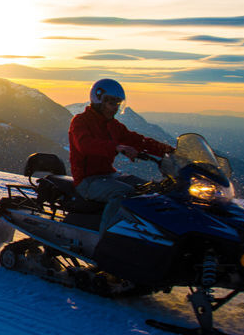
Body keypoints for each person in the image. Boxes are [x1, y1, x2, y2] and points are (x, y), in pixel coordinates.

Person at [69, 78, 173, 232]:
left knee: (151, 190)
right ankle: (107, 237)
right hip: (87, 181)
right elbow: (84, 145)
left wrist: (169, 150)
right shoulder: (80, 121)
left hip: (109, 175)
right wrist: (116, 147)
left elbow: (138, 140)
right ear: (98, 100)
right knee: (123, 194)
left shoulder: (113, 125)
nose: (115, 108)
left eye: (118, 103)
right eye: (112, 103)